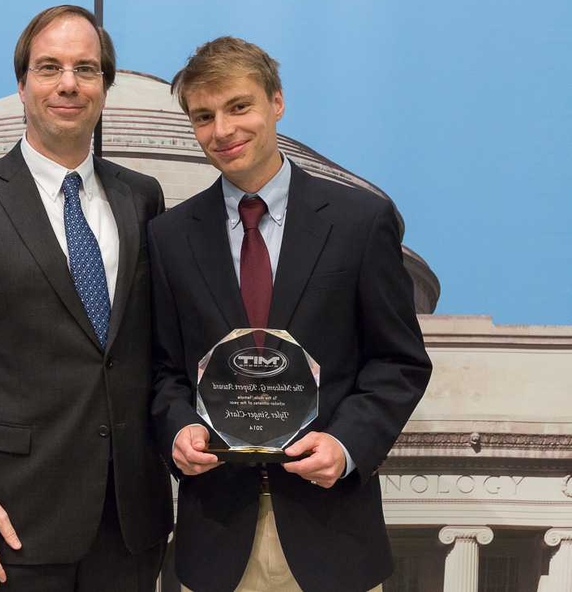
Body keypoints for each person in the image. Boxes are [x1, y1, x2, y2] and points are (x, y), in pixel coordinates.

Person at [149, 37, 432, 592]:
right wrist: (177, 426)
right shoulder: (168, 237)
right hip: (214, 540)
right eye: (203, 117)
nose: (223, 131)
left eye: (238, 106)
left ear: (276, 101)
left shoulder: (360, 221)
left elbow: (398, 363)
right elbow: (162, 370)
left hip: (334, 534)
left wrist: (347, 444)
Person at [0, 5, 172, 592]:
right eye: (49, 67)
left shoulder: (142, 198)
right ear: (23, 84)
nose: (68, 84)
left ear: (105, 84)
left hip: (130, 522)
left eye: (86, 68)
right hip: (10, 522)